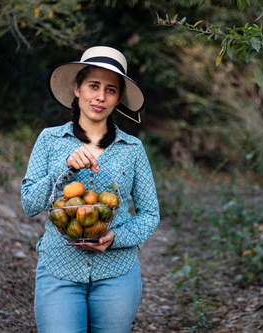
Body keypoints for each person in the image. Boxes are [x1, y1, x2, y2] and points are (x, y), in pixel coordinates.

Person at [21, 46, 160, 333]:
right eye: (93, 86)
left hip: (117, 272)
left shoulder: (132, 149)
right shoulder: (50, 141)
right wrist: (65, 167)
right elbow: (29, 204)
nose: (100, 96)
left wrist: (115, 237)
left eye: (110, 90)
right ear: (77, 87)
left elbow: (150, 214)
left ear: (118, 98)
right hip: (59, 268)